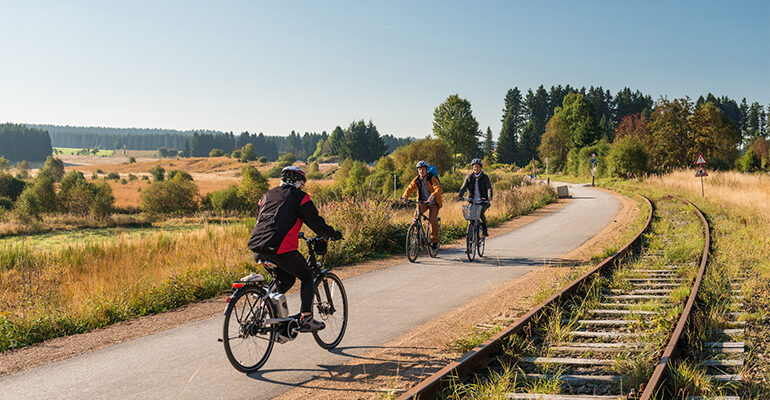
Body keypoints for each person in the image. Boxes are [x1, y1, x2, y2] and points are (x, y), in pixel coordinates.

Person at [247, 166, 342, 332]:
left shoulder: (266, 196)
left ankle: (264, 310)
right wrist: (332, 234)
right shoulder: (300, 197)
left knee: (287, 279)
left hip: (257, 247)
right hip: (279, 247)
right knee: (306, 276)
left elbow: (266, 221)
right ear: (299, 182)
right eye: (302, 183)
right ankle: (307, 318)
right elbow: (316, 223)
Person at [401, 160, 443, 250]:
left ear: (426, 170)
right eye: (419, 169)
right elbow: (410, 188)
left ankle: (434, 240)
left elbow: (438, 188)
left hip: (434, 202)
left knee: (432, 220)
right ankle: (415, 236)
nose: (421, 171)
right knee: (416, 216)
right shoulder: (417, 179)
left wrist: (433, 195)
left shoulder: (431, 178)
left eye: (423, 169)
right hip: (422, 202)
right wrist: (405, 196)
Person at [458, 158, 493, 237]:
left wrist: (489, 196)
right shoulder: (469, 177)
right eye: (474, 167)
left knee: (480, 214)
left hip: (483, 201)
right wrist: (460, 196)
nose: (476, 168)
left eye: (477, 167)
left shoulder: (485, 177)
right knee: (471, 217)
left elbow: (489, 188)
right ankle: (470, 236)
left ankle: (484, 228)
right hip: (472, 201)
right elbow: (463, 188)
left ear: (480, 167)